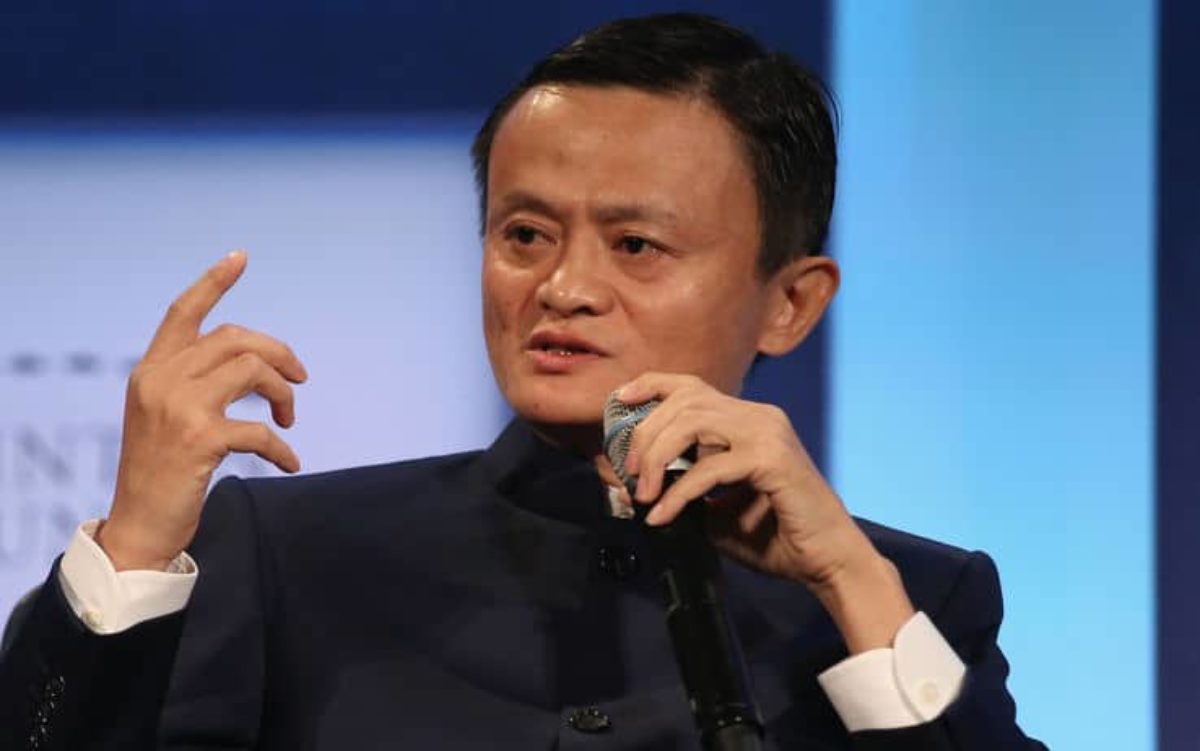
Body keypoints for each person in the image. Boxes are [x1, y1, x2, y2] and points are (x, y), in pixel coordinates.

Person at [0, 13, 1045, 750]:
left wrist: (853, 581)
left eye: (636, 245)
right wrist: (133, 545)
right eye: (525, 234)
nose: (563, 287)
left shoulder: (906, 601)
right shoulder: (286, 555)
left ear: (792, 302)